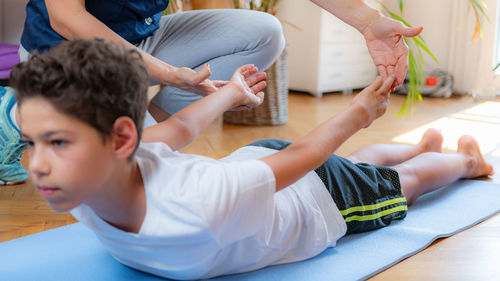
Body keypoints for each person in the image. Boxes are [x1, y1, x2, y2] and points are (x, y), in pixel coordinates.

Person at [10, 39, 493, 279]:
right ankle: (420, 147)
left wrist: (360, 112)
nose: (37, 165)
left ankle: (462, 163)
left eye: (58, 143)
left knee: (397, 185)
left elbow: (306, 154)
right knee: (360, 166)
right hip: (256, 166)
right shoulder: (77, 186)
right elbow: (178, 128)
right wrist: (230, 94)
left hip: (314, 200)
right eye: (31, 143)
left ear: (119, 139)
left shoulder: (194, 208)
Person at [0, 0, 422, 185]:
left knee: (264, 32)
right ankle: (20, 113)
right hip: (66, 51)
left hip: (143, 40)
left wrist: (368, 21)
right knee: (128, 161)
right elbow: (66, 17)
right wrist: (173, 74)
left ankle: (154, 138)